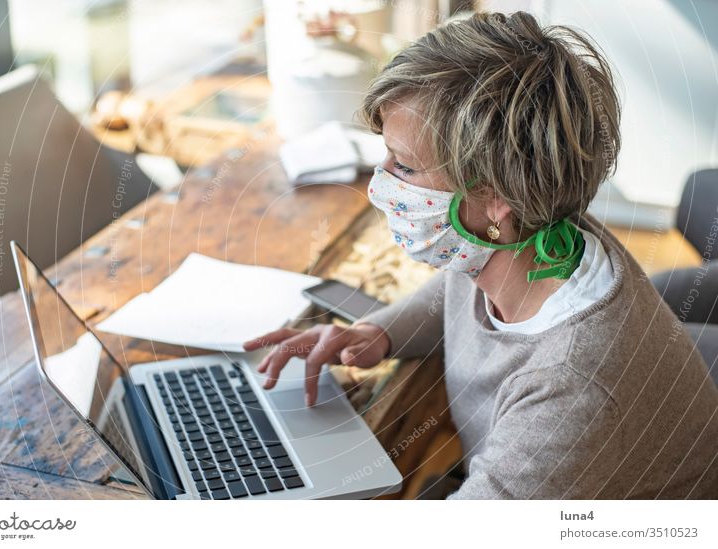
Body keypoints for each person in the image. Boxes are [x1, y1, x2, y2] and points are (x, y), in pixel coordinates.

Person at [243, 11, 718, 498]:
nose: (378, 182)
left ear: (496, 195)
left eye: (403, 165)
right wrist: (377, 332)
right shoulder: (533, 234)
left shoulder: (570, 388)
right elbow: (457, 288)